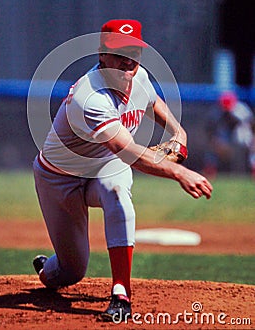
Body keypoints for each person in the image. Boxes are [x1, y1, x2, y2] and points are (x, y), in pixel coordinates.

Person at [32, 19, 213, 322]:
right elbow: (129, 152)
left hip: (103, 167)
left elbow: (153, 103)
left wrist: (178, 132)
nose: (127, 60)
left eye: (134, 51)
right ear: (102, 54)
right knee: (71, 271)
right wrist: (180, 172)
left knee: (116, 191)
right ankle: (48, 270)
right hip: (59, 178)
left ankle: (121, 294)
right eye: (119, 52)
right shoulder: (90, 98)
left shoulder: (137, 75)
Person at [203, 90, 255, 177]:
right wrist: (215, 142)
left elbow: (251, 124)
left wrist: (253, 139)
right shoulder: (216, 112)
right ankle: (210, 171)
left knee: (252, 146)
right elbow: (210, 129)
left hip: (240, 131)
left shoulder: (241, 110)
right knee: (212, 149)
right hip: (224, 132)